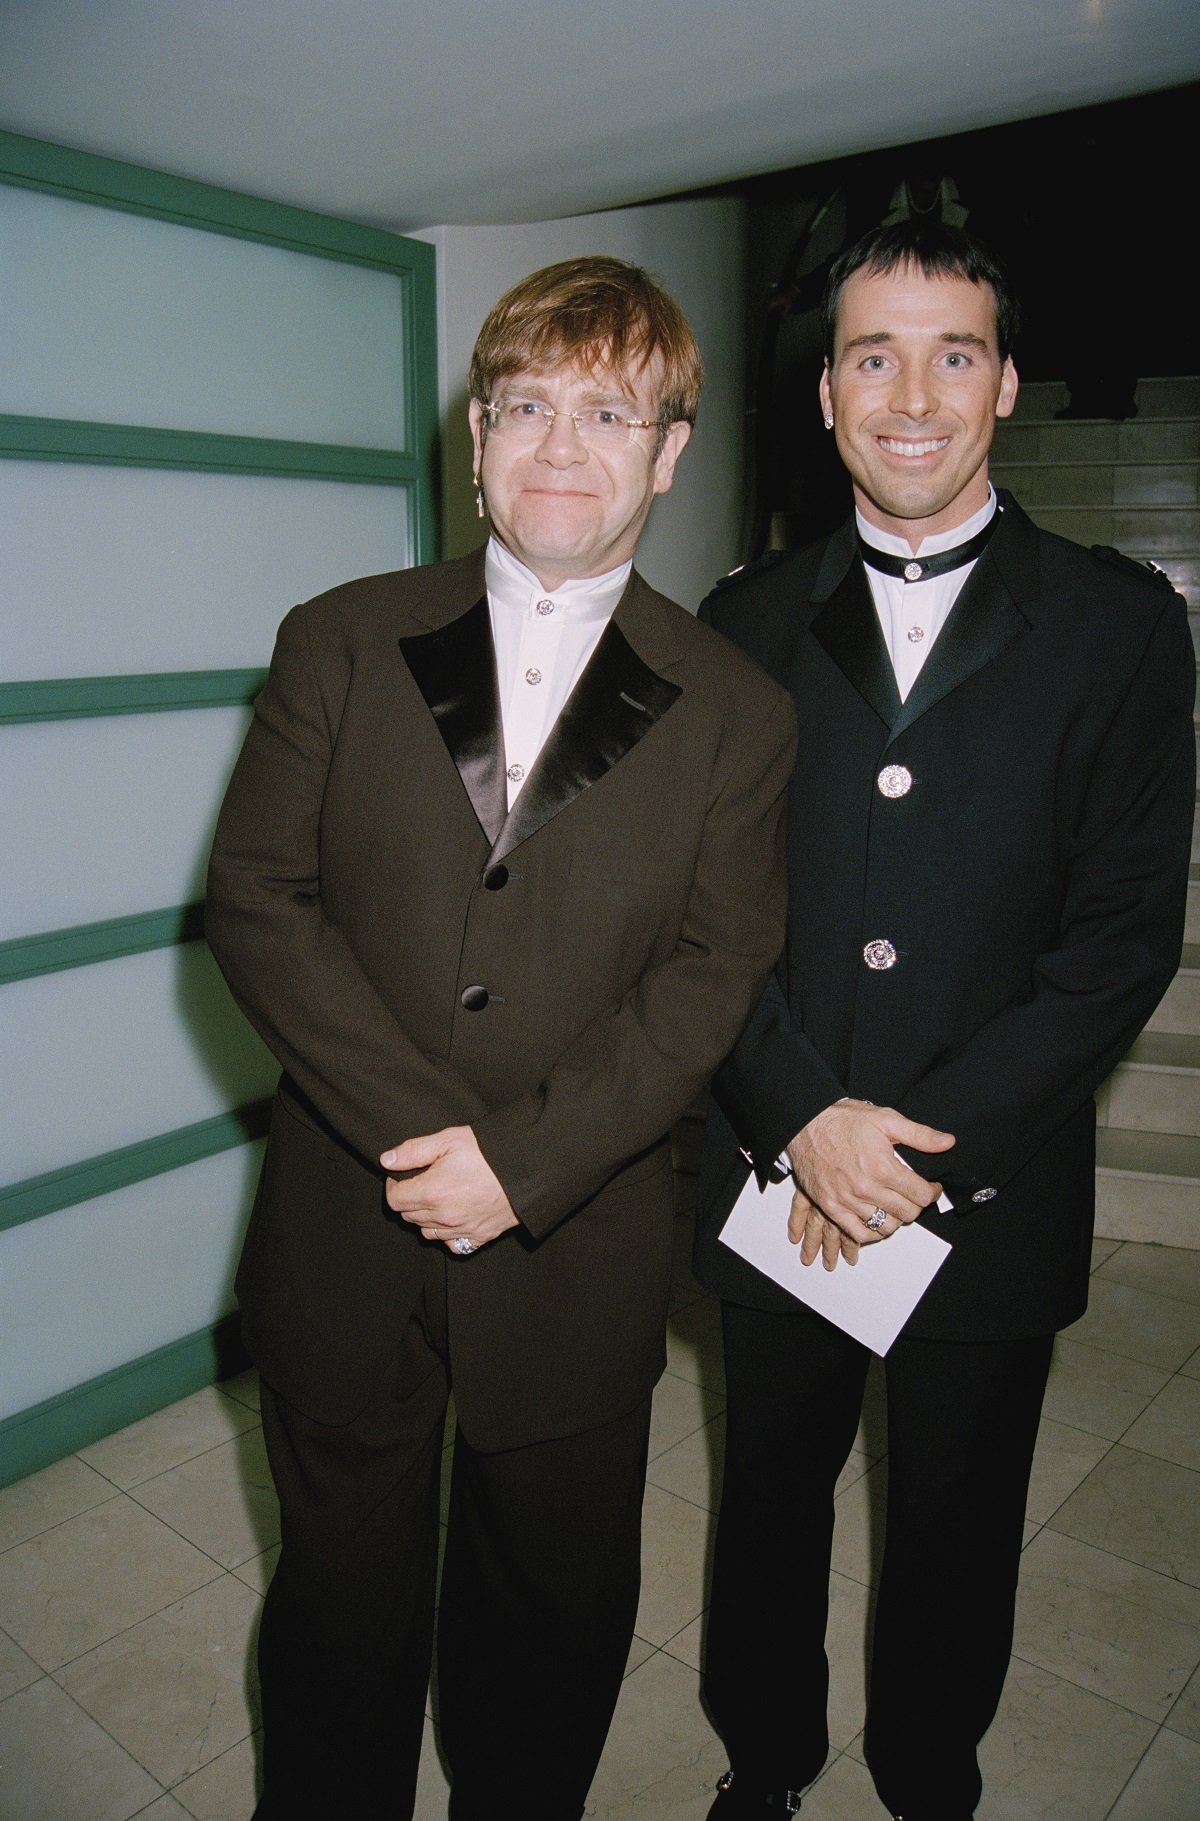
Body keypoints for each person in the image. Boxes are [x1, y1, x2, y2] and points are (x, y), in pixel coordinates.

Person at [205, 254, 795, 1821]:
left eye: (608, 410)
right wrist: (436, 1140)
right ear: (474, 437)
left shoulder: (737, 707)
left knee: (549, 1623)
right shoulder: (338, 636)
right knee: (337, 1606)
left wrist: (519, 1163)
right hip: (348, 1223)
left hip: (579, 1245)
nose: (559, 445)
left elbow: (715, 966)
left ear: (670, 451)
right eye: (525, 403)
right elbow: (259, 898)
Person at [693, 221, 1195, 1820]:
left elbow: (1122, 939)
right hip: (783, 1166)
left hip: (994, 1184)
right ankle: (762, 1768)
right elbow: (699, 920)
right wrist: (801, 1115)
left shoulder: (1122, 627)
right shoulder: (742, 617)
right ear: (828, 396)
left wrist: (920, 1149)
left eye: (953, 352)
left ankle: (929, 1781)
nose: (913, 393)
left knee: (961, 1525)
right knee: (766, 1507)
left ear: (1009, 386)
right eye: (872, 354)